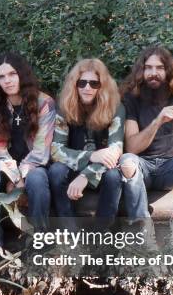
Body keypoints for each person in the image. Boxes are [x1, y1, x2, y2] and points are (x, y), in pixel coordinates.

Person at [119, 46, 173, 221]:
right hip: (142, 167)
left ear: (168, 69)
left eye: (159, 68)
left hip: (170, 166)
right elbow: (132, 147)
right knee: (127, 160)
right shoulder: (130, 97)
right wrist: (158, 121)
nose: (154, 73)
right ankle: (143, 226)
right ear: (141, 70)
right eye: (149, 68)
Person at [0, 52, 55, 246]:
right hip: (5, 166)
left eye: (12, 74)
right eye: (1, 77)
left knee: (37, 178)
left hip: (36, 166)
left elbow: (40, 152)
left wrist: (21, 178)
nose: (7, 81)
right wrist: (15, 178)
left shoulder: (43, 103)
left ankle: (39, 244)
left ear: (22, 74)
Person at [48, 58, 124, 221]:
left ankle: (102, 236)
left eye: (93, 83)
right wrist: (90, 156)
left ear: (102, 86)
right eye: (81, 83)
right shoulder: (64, 107)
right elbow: (56, 150)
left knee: (114, 176)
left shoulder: (115, 107)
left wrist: (86, 176)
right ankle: (69, 231)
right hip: (73, 166)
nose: (87, 88)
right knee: (56, 171)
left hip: (102, 169)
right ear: (74, 84)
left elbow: (115, 151)